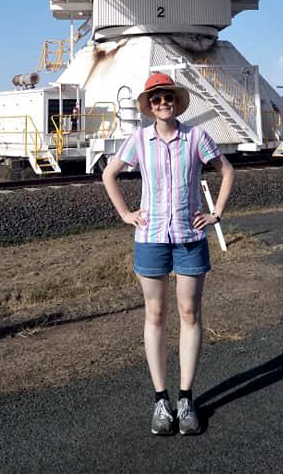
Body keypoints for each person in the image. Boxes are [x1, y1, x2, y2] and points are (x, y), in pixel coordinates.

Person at [102, 71, 235, 436]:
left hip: (189, 236)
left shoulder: (196, 137)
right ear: (149, 105)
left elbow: (226, 171)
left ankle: (186, 398)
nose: (163, 103)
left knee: (189, 313)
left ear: (177, 102)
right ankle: (161, 399)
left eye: (169, 98)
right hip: (151, 237)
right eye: (157, 99)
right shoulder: (138, 140)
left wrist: (216, 213)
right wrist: (125, 214)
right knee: (156, 314)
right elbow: (109, 174)